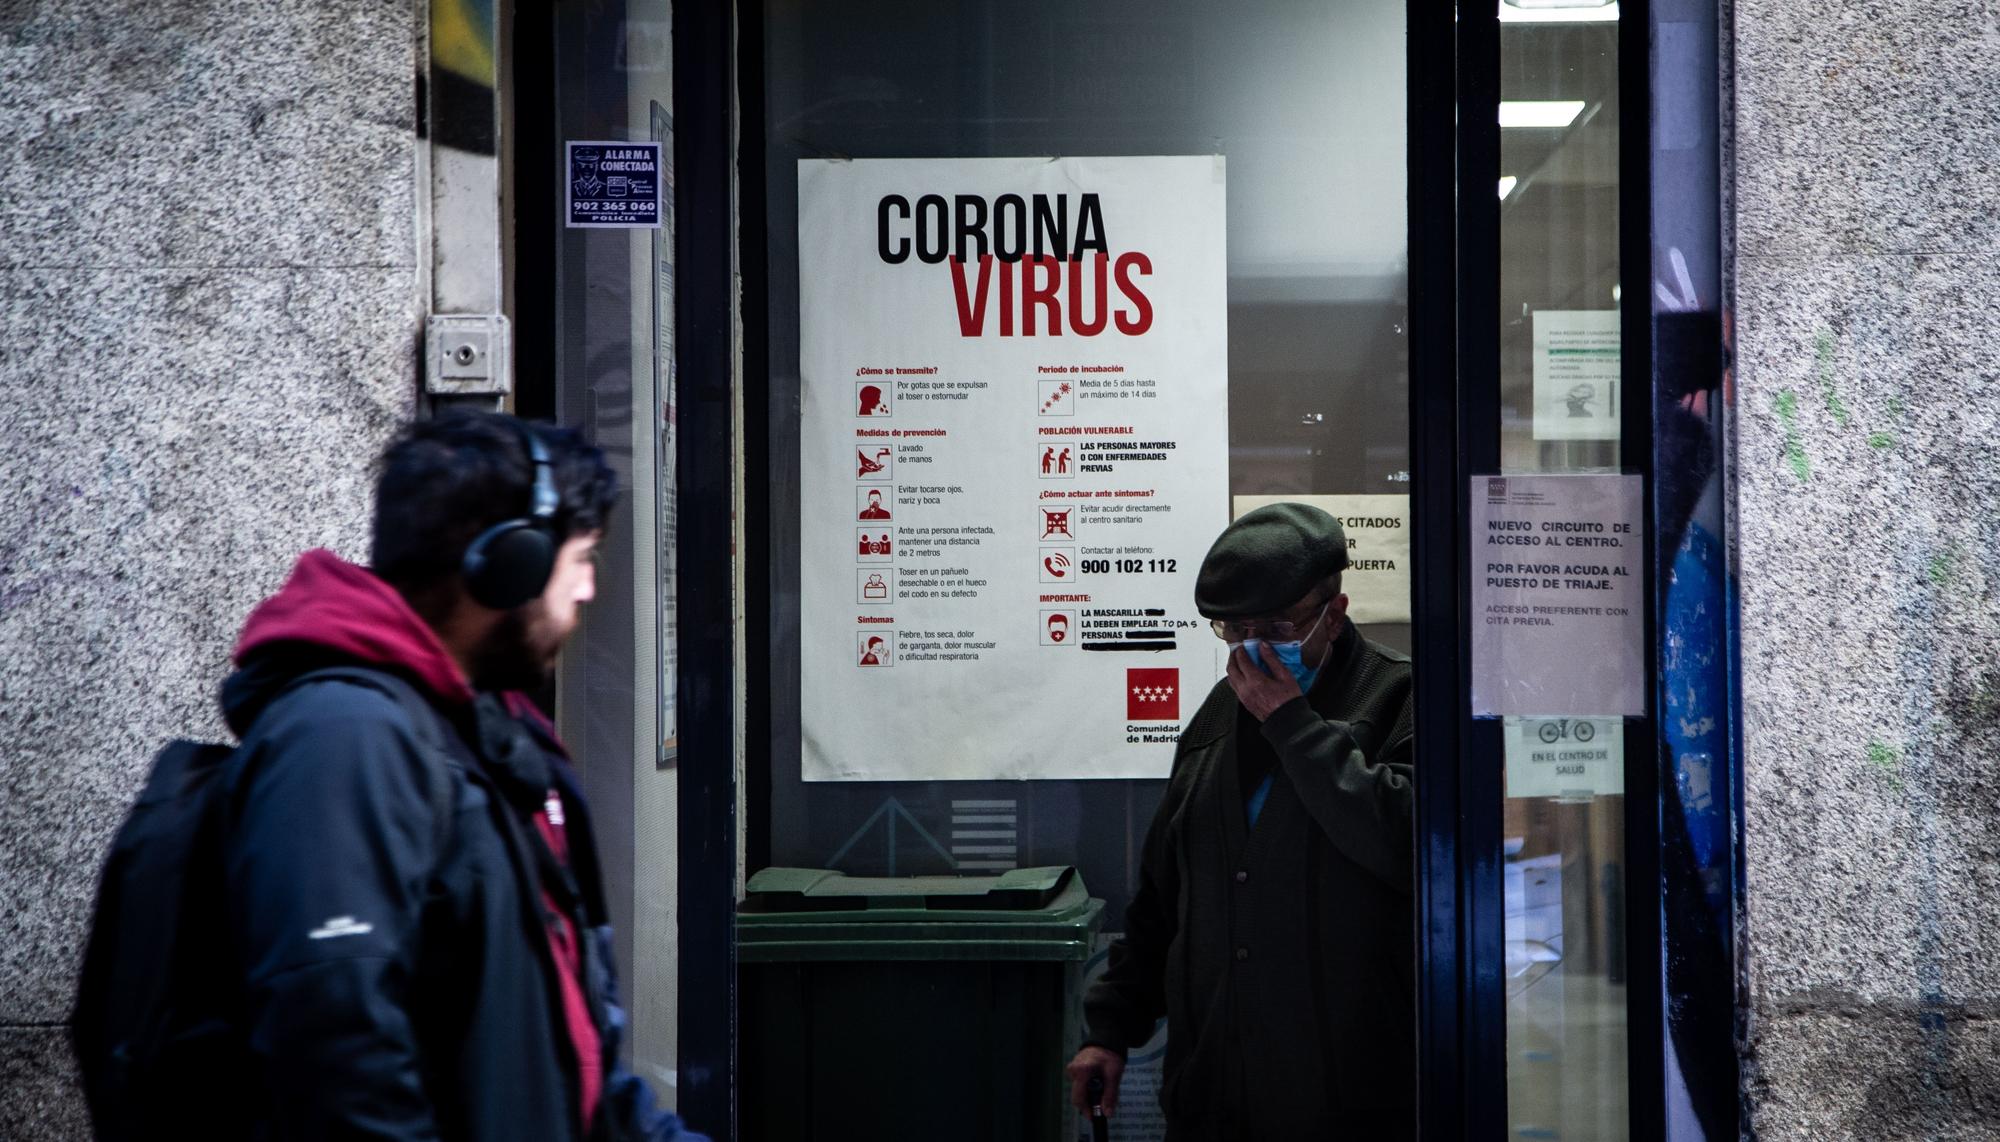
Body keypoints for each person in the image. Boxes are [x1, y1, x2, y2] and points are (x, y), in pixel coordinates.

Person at [217, 411, 705, 1141]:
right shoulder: (345, 740)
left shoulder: (483, 736)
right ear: (511, 563)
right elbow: (339, 1065)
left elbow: (575, 1069)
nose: (586, 592)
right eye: (581, 560)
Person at [1066, 503, 1416, 1137]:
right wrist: (1110, 1033)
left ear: (1333, 614)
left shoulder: (1399, 699)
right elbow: (1163, 899)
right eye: (1234, 629)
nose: (1253, 647)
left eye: (1279, 625)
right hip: (1215, 1099)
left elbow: (1406, 845)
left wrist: (1292, 725)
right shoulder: (1216, 717)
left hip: (1351, 1101)